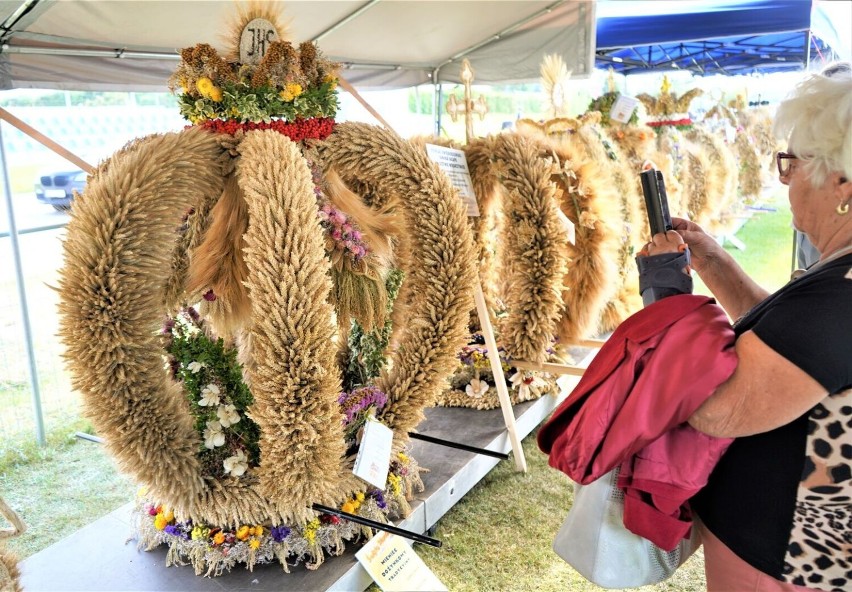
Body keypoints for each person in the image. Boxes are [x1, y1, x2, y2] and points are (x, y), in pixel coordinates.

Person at [643, 63, 852, 591]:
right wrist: (712, 260)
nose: (785, 180)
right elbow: (789, 345)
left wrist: (664, 291)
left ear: (841, 181)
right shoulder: (839, 279)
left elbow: (720, 409)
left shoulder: (844, 296)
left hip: (785, 554)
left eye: (792, 164)